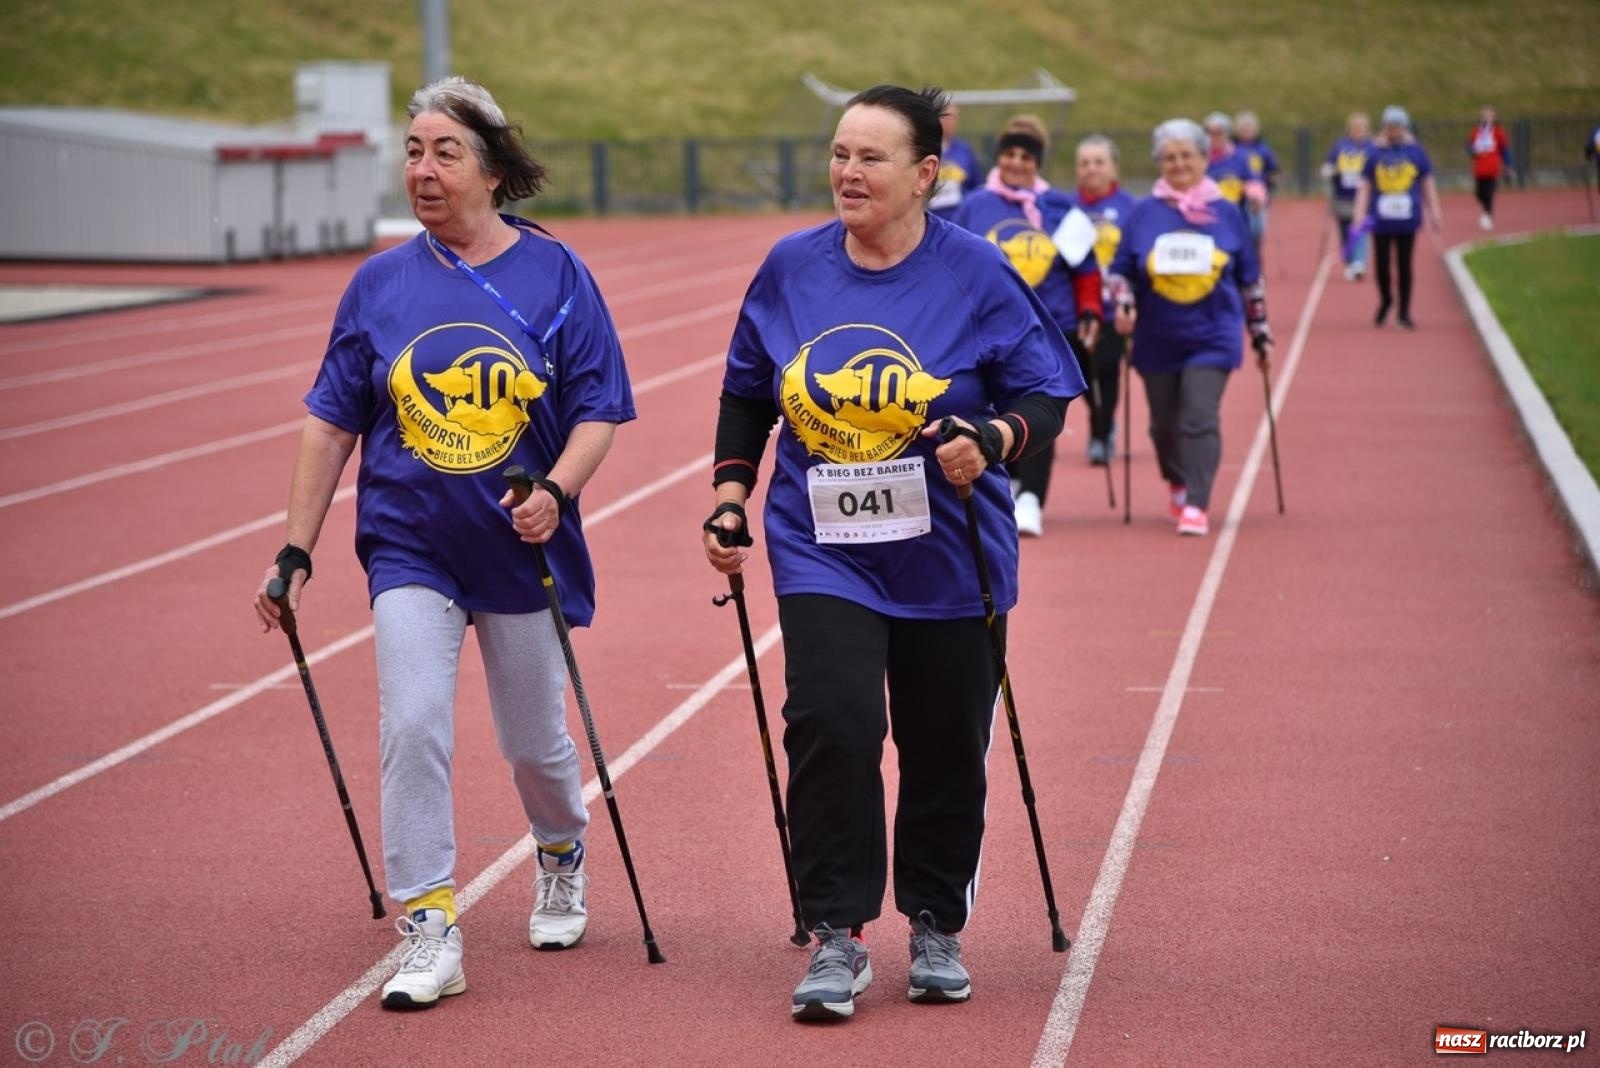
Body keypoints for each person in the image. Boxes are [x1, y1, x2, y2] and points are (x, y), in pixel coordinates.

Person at [252, 76, 635, 1010]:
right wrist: (294, 550)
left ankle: (559, 850)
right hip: (409, 545)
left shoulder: (556, 275)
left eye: (444, 152)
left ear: (494, 168)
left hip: (518, 548)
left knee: (533, 742)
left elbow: (598, 410)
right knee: (413, 724)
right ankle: (428, 921)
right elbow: (330, 423)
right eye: (414, 152)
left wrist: (555, 491)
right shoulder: (379, 283)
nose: (423, 169)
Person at [702, 84, 1082, 1022]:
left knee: (945, 742)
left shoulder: (978, 273)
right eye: (839, 153)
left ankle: (935, 921)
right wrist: (729, 495)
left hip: (950, 554)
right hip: (822, 545)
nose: (848, 172)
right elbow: (750, 390)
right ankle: (836, 933)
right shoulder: (791, 268)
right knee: (831, 721)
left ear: (924, 176)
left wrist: (993, 440)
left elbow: (1045, 393)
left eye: (871, 158)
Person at [1107, 118, 1272, 538]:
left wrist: (1260, 332)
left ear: (1204, 158)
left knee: (1199, 416)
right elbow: (1122, 270)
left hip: (1213, 334)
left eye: (1186, 155)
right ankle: (1178, 481)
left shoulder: (1227, 213)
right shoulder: (1144, 214)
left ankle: (1197, 502)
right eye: (1169, 157)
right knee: (1163, 425)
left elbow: (1250, 278)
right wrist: (1124, 303)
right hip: (1157, 337)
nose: (1178, 163)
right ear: (1159, 162)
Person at [953, 114, 1101, 537]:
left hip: (1052, 327)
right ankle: (1012, 480)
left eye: (1026, 156)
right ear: (999, 158)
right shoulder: (974, 205)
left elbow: (1086, 268)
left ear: (1037, 162)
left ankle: (1033, 498)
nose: (1017, 162)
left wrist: (1091, 312)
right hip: (989, 332)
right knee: (998, 408)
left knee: (1041, 406)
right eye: (1010, 154)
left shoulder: (1060, 207)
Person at [1061, 133, 1139, 466]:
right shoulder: (1064, 208)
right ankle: (1099, 417)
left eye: (1098, 162)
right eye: (1084, 163)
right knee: (1079, 373)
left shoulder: (1131, 209)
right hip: (1076, 309)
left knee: (1107, 369)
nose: (1091, 169)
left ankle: (1101, 431)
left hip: (1114, 308)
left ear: (1112, 168)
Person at [1351, 105, 1442, 330]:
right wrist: (1359, 215)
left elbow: (1427, 182)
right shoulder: (1374, 152)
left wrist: (1435, 211)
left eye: (1398, 126)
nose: (1393, 130)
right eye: (1390, 126)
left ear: (1404, 127)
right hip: (1381, 220)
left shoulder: (1416, 152)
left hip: (1407, 218)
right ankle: (1386, 300)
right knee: (1381, 265)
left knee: (1404, 265)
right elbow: (1364, 185)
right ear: (1384, 127)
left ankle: (1404, 311)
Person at [1322, 112, 1375, 281]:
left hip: (1364, 197)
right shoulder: (1340, 146)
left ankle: (1359, 263)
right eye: (1356, 127)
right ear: (1349, 129)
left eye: (1363, 127)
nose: (1359, 130)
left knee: (1361, 229)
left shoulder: (1372, 147)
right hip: (1343, 196)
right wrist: (1333, 173)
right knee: (1345, 232)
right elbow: (1326, 168)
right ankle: (1351, 260)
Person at [1202, 112, 1266, 229]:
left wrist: (1255, 197)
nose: (1214, 138)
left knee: (1257, 226)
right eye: (1210, 133)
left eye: (1219, 133)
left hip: (1237, 211)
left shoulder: (1242, 157)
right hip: (1206, 212)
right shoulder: (1200, 158)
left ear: (1227, 134)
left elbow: (1253, 181)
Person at [1232, 110, 1280, 252]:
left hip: (1259, 197)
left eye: (1250, 129)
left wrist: (1272, 180)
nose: (1247, 132)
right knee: (1241, 230)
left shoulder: (1263, 148)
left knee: (1257, 231)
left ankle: (1255, 259)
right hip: (1238, 196)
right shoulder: (1233, 148)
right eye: (1244, 129)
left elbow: (1273, 168)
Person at [928, 101, 984, 220]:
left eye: (954, 118)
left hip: (959, 218)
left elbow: (976, 185)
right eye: (946, 117)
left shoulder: (965, 150)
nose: (950, 122)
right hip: (929, 217)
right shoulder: (924, 148)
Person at [1467, 105, 1512, 230]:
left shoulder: (1498, 131)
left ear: (1493, 116)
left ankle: (1488, 215)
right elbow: (1469, 146)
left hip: (1492, 167)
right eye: (1485, 114)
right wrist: (1473, 151)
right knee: (1479, 193)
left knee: (1489, 192)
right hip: (1479, 167)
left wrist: (1508, 166)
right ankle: (1486, 211)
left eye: (1489, 114)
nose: (1486, 116)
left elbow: (1505, 149)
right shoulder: (1476, 130)